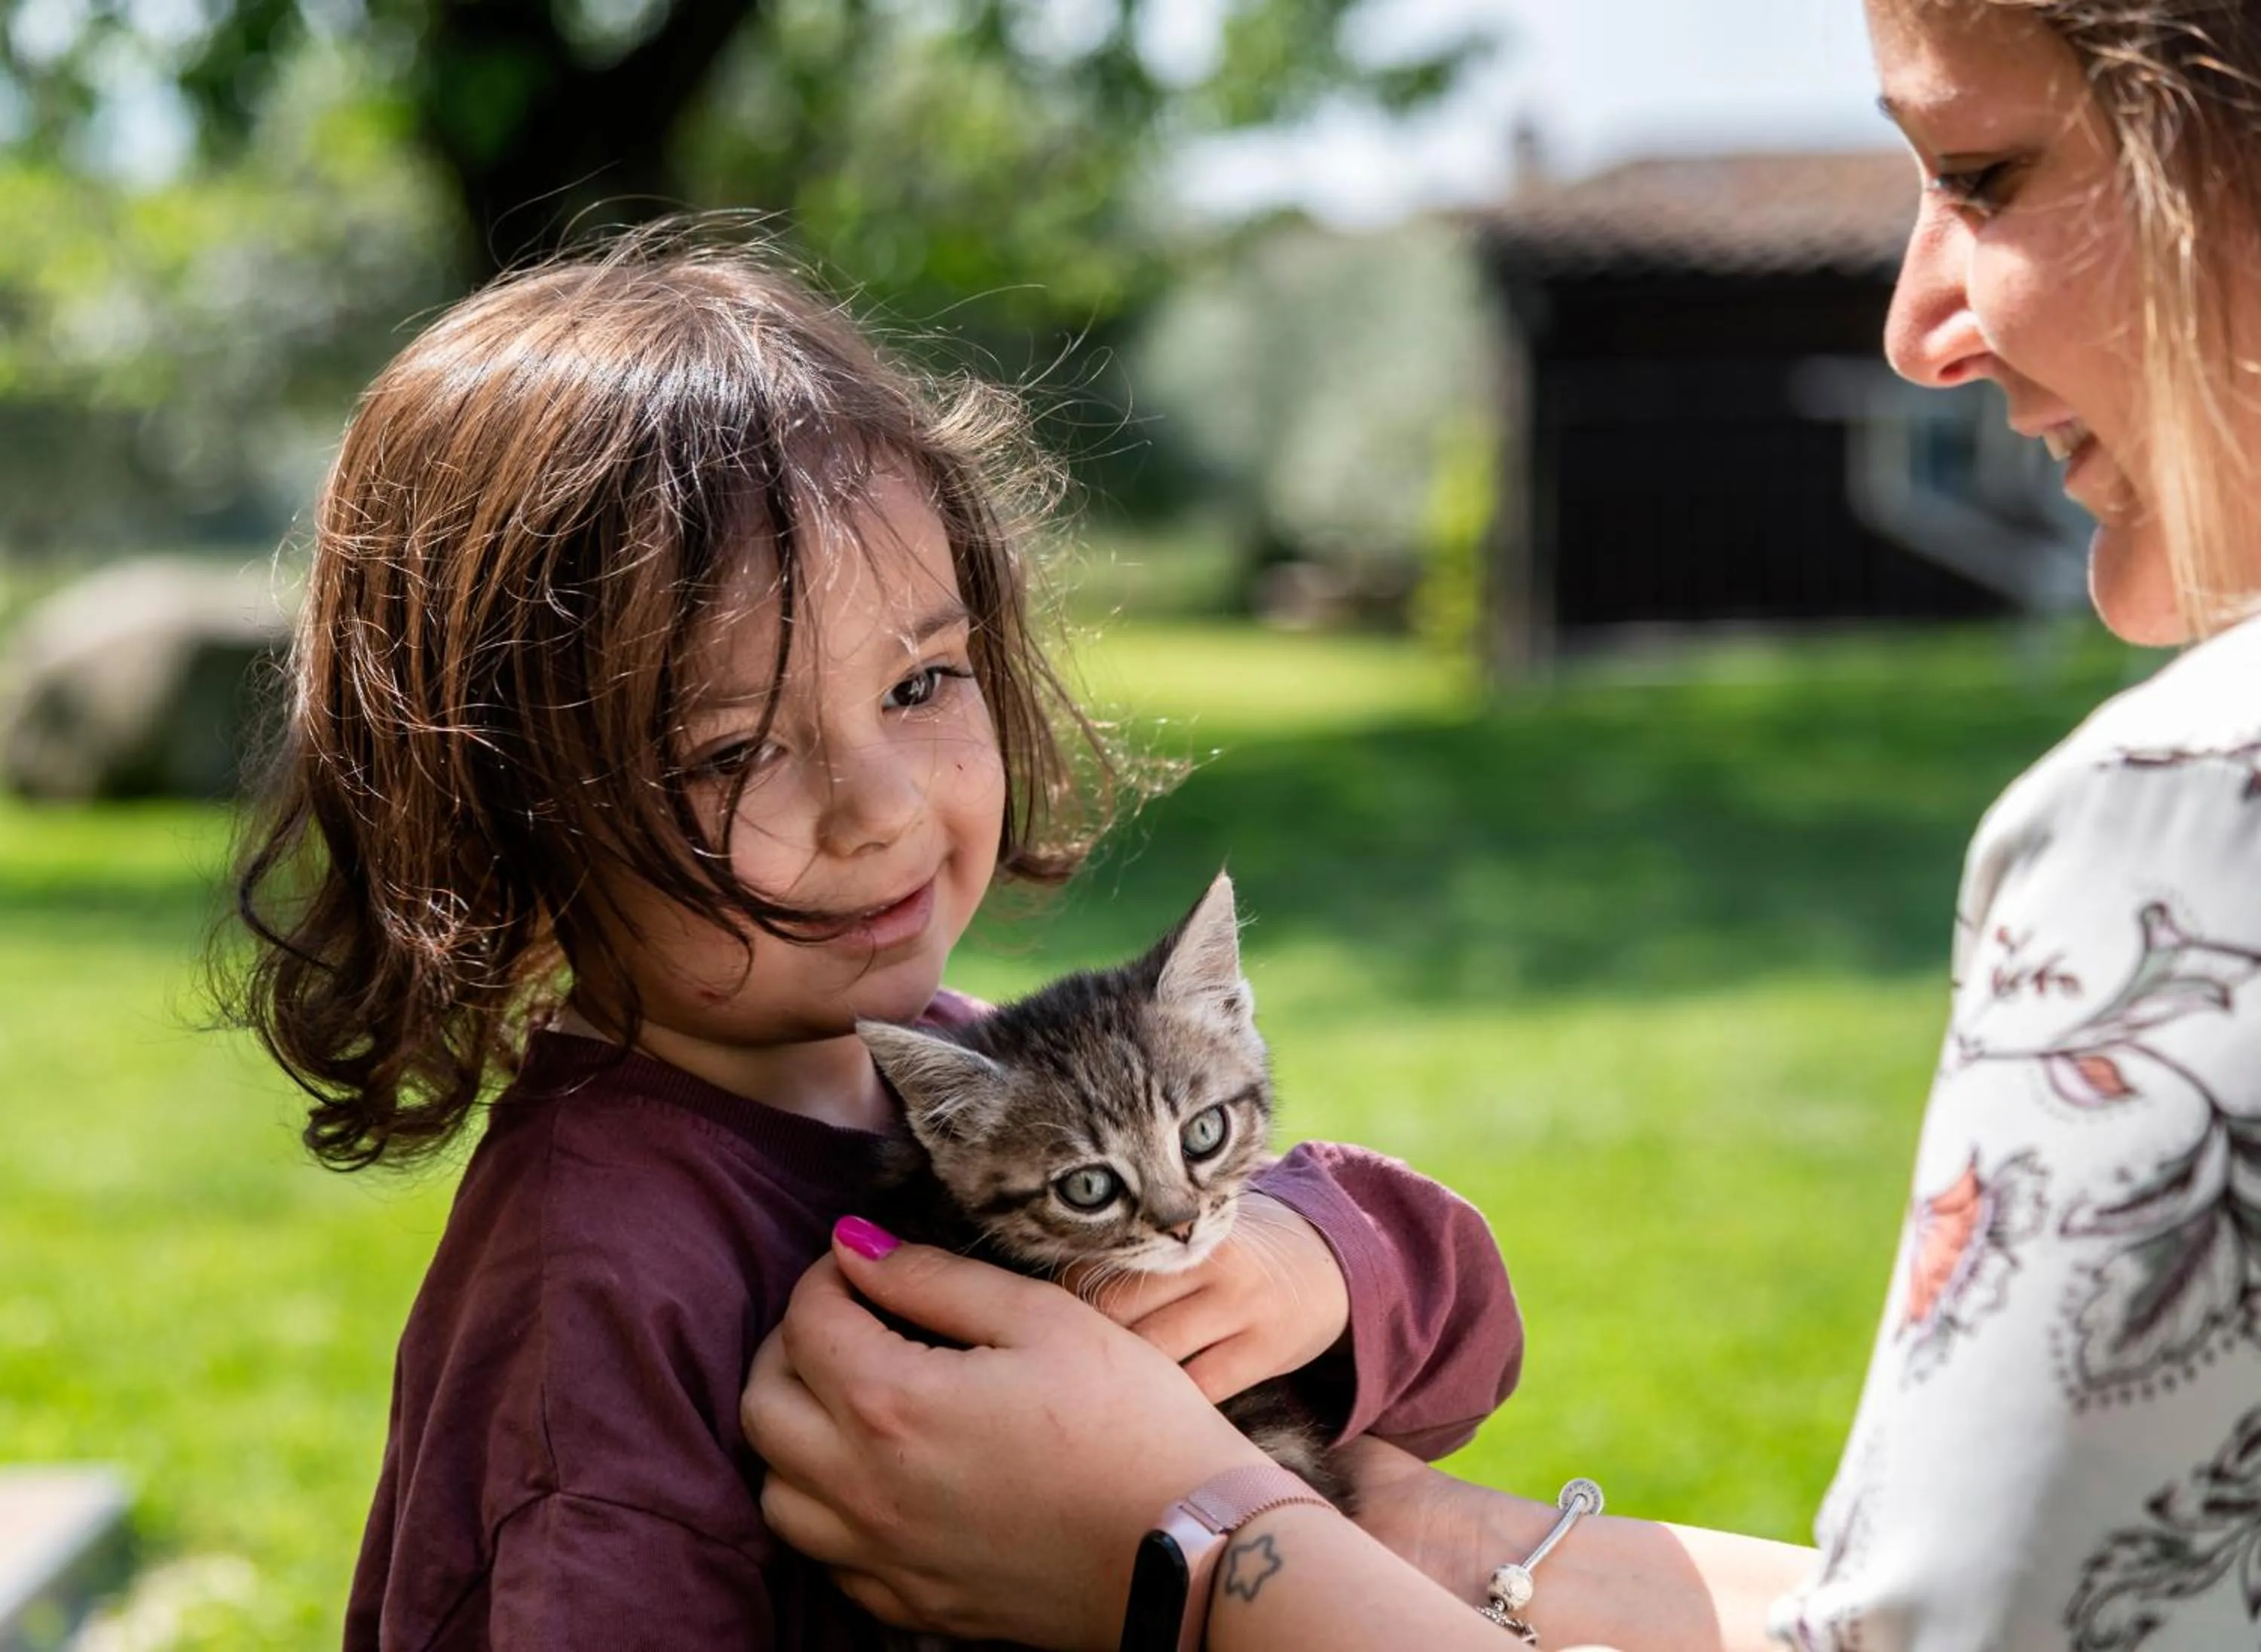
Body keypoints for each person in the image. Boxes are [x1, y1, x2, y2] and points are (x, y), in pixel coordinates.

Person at [741, 2, 2261, 1648]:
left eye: (1982, 170)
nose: (1913, 325)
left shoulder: (2188, 824)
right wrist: (1456, 1541)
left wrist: (1193, 1569)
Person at [226, 237, 1525, 1650]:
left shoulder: (998, 1087)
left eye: (920, 681)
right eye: (730, 751)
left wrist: (1296, 1261)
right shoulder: (595, 1282)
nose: (879, 808)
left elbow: (1467, 1350)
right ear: (506, 815)